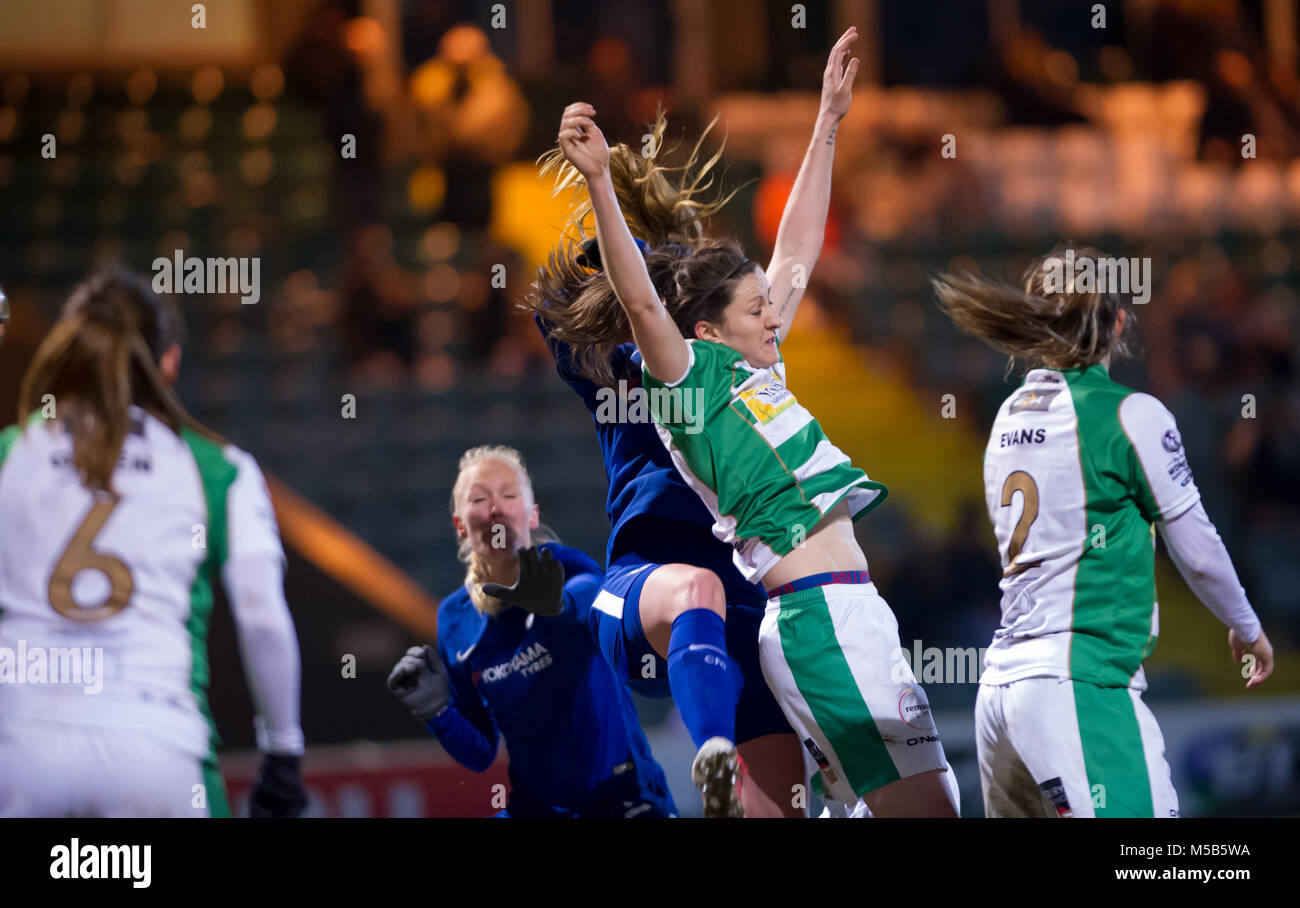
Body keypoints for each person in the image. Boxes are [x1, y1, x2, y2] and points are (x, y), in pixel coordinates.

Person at [543, 35, 959, 818]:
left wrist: (828, 121)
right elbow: (639, 302)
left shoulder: (761, 369)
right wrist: (599, 178)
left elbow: (798, 247)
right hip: (818, 615)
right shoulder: (692, 384)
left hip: (850, 611)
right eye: (757, 307)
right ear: (706, 330)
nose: (778, 312)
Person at [933, 246, 1274, 817]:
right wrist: (1247, 625)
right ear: (1119, 323)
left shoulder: (1009, 414)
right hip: (1078, 684)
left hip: (1000, 693)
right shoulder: (1130, 414)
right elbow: (1197, 550)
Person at [0, 269, 306, 818]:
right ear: (169, 363)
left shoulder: (10, 453)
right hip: (156, 746)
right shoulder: (217, 467)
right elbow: (261, 615)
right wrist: (282, 754)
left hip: (19, 746)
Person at [387, 445, 676, 818]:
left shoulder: (566, 567)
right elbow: (480, 753)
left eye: (509, 495)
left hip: (625, 799)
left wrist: (557, 604)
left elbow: (591, 595)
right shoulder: (454, 619)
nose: (496, 508)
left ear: (532, 515)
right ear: (460, 524)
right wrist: (437, 711)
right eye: (479, 498)